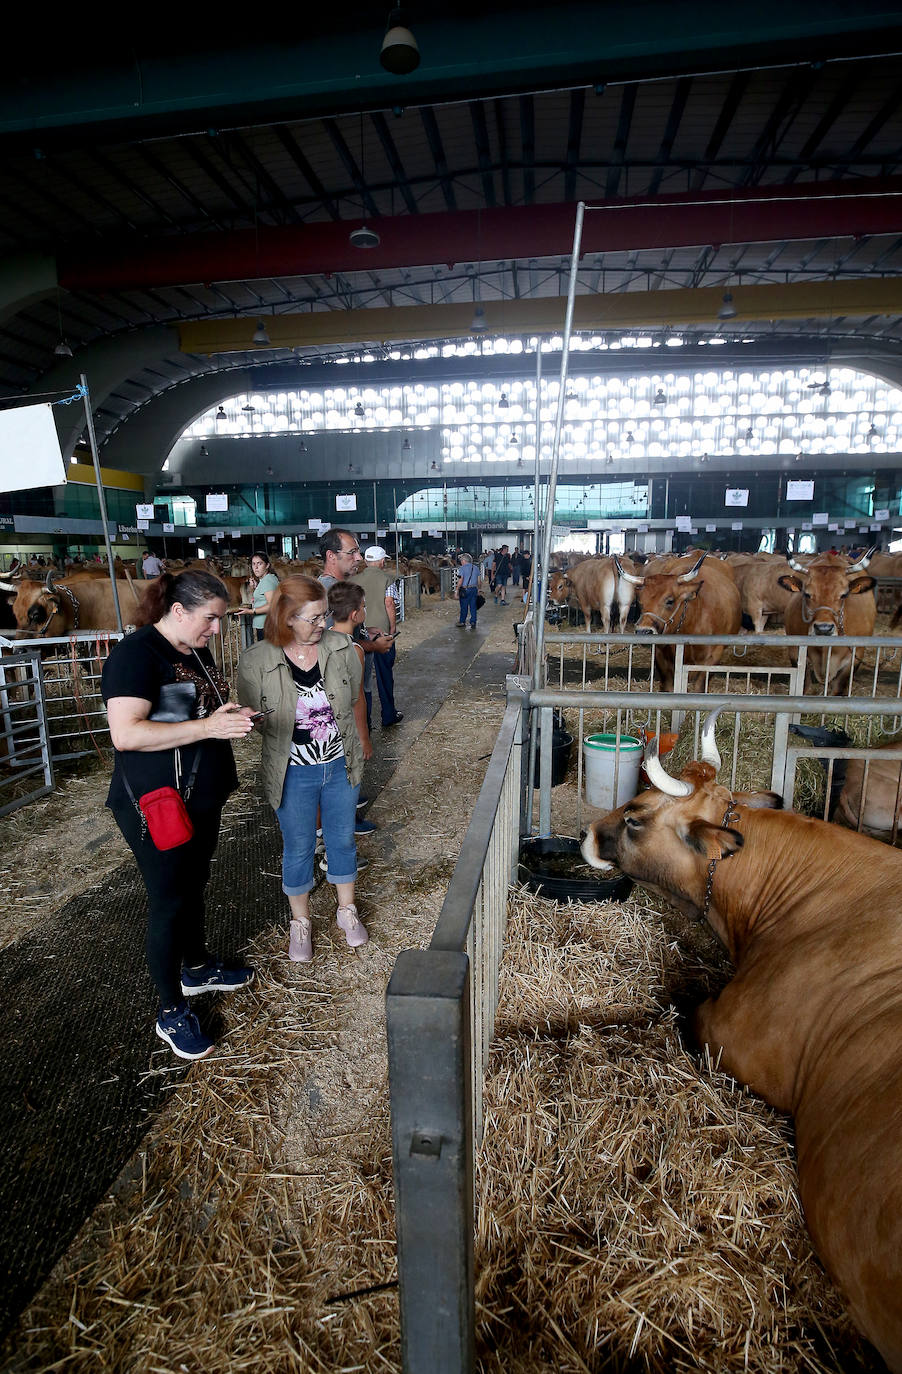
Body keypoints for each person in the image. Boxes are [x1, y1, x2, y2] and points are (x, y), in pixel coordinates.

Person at [101, 570, 256, 1062]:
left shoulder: (194, 651)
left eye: (222, 620)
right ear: (179, 610)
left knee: (194, 885)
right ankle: (170, 1011)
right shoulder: (136, 655)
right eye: (211, 619)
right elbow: (126, 734)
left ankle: (197, 967)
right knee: (169, 901)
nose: (217, 629)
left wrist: (228, 717)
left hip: (198, 795)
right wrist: (207, 726)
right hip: (158, 802)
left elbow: (194, 716)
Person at [237, 574, 369, 963]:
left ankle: (347, 910)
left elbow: (354, 694)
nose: (323, 625)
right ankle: (301, 922)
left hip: (339, 763)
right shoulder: (256, 660)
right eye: (313, 618)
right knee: (298, 846)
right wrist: (250, 720)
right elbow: (253, 713)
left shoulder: (343, 647)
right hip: (292, 770)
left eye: (325, 615)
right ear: (287, 617)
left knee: (342, 839)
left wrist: (361, 741)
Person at [350, 545, 403, 727]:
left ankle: (363, 721)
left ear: (365, 561)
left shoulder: (354, 580)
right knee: (384, 674)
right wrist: (392, 628)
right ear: (382, 561)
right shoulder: (387, 579)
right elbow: (389, 603)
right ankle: (388, 714)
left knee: (360, 679)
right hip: (381, 633)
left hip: (358, 633)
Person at [234, 552, 280, 641]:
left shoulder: (267, 581)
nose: (256, 567)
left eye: (259, 563)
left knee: (267, 653)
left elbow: (272, 605)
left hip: (267, 626)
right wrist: (255, 588)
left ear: (267, 565)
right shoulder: (268, 579)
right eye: (253, 564)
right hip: (268, 624)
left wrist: (251, 611)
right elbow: (263, 600)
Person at [456, 553, 481, 629]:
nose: (461, 562)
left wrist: (456, 590)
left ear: (464, 560)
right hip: (474, 589)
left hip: (465, 589)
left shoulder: (462, 568)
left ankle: (462, 621)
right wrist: (479, 589)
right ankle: (473, 621)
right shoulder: (476, 568)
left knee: (464, 606)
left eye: (461, 560)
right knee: (473, 606)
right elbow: (479, 581)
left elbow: (461, 579)